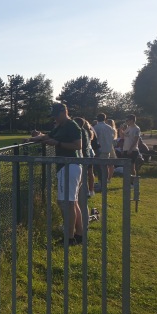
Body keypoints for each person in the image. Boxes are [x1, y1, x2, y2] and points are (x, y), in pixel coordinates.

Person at [27, 103, 83, 246]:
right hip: (66, 167)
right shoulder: (59, 126)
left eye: (56, 115)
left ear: (64, 112)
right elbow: (47, 136)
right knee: (72, 202)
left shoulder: (72, 125)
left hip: (69, 166)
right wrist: (34, 138)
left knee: (66, 203)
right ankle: (79, 235)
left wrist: (57, 143)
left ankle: (69, 238)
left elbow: (78, 145)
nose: (55, 118)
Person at [93, 113, 117, 185]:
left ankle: (102, 181)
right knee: (105, 166)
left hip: (100, 149)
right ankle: (105, 180)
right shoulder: (110, 128)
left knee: (100, 167)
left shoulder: (96, 127)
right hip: (108, 148)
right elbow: (112, 138)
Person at [74, 117, 95, 197]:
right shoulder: (88, 132)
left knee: (83, 175)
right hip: (89, 153)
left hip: (84, 154)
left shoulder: (81, 131)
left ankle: (83, 192)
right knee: (90, 172)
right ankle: (91, 190)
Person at [123, 114, 141, 182]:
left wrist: (130, 149)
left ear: (132, 120)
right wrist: (121, 130)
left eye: (128, 120)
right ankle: (128, 181)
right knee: (126, 167)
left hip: (132, 150)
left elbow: (136, 139)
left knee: (132, 167)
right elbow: (123, 135)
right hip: (126, 148)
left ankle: (133, 182)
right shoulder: (128, 127)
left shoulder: (136, 128)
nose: (127, 121)